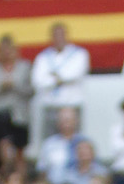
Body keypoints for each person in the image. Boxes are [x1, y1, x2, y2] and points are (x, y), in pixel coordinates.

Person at [30, 24, 91, 153]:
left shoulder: (79, 54)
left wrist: (53, 77)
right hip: (51, 107)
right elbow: (38, 81)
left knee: (75, 144)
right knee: (50, 144)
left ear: (66, 36)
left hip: (72, 105)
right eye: (55, 35)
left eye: (61, 35)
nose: (59, 38)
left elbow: (75, 73)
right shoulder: (43, 57)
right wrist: (61, 79)